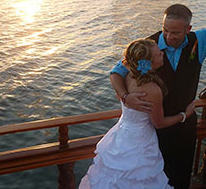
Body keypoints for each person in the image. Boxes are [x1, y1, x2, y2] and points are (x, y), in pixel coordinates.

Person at [109, 0, 206, 188]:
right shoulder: (147, 47)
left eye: (176, 33)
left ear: (188, 29)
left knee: (181, 176)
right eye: (165, 30)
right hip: (153, 128)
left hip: (185, 126)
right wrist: (125, 97)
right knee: (154, 178)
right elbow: (116, 73)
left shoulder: (199, 41)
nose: (169, 37)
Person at [79, 39, 196, 189]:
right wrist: (184, 115)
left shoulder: (128, 76)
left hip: (122, 135)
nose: (162, 53)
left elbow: (115, 76)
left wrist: (124, 96)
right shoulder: (153, 90)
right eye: (158, 54)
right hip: (141, 141)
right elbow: (159, 123)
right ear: (148, 63)